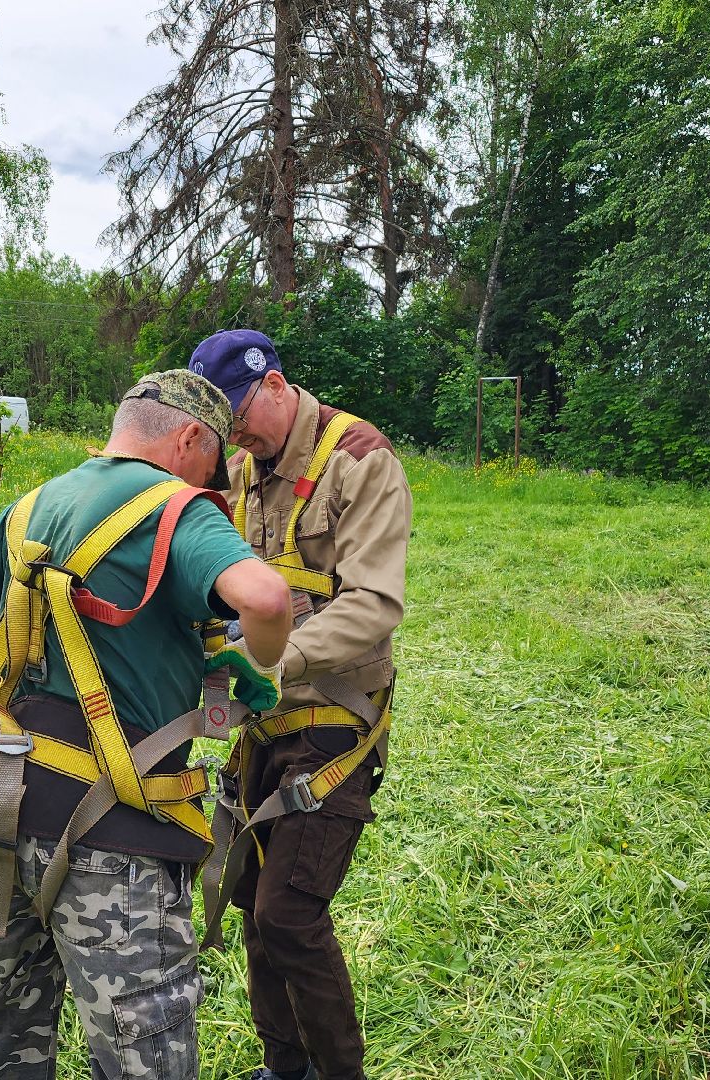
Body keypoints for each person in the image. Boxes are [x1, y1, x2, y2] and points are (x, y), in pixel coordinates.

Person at [0, 370, 293, 1080]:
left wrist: (33, 638)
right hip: (118, 842)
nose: (217, 484)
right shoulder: (177, 509)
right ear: (188, 440)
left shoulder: (35, 505)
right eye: (214, 465)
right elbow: (265, 597)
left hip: (5, 813)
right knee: (145, 1053)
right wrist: (257, 657)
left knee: (5, 1027)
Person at [192, 330, 412, 1080]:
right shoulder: (248, 469)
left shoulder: (360, 460)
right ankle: (286, 1069)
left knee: (289, 916)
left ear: (279, 385)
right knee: (251, 901)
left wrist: (274, 659)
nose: (238, 442)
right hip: (261, 722)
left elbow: (376, 604)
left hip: (334, 716)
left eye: (245, 419)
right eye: (226, 431)